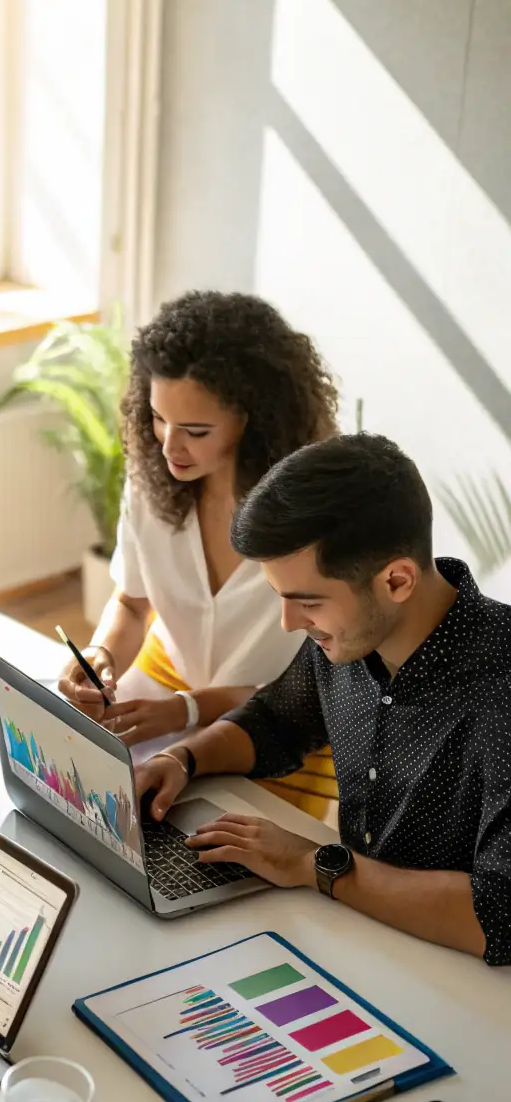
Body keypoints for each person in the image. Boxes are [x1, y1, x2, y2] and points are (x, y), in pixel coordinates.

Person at [135, 434, 511, 965]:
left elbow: (497, 915)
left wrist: (313, 864)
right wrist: (182, 758)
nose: (291, 623)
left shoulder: (502, 690)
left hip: (464, 984)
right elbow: (275, 722)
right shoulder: (353, 633)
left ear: (397, 580)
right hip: (355, 933)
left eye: (307, 601)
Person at [58, 291, 339, 818]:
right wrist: (101, 657)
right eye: (160, 419)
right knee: (88, 810)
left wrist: (187, 711)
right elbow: (134, 604)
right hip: (164, 693)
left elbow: (321, 686)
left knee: (210, 855)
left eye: (195, 431)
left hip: (269, 729)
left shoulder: (317, 515)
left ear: (254, 418)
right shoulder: (152, 483)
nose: (168, 446)